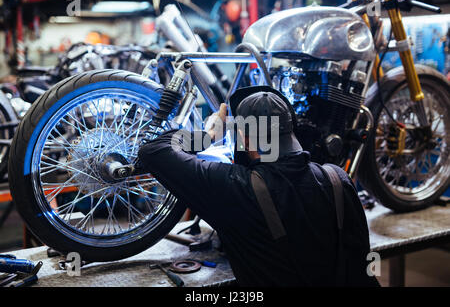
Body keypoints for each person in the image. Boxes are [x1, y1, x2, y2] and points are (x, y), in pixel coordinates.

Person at [138, 88, 379, 287]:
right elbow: (366, 261)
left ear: (244, 139)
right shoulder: (337, 179)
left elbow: (154, 151)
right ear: (289, 130)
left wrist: (209, 134)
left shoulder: (236, 188)